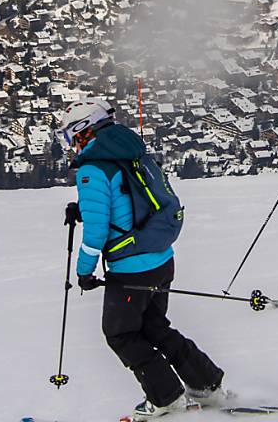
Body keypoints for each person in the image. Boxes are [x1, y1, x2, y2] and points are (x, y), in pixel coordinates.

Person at [57, 99, 227, 419]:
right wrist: (83, 209)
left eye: (69, 136)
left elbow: (96, 233)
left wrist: (84, 272)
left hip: (131, 268)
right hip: (161, 258)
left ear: (83, 130)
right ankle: (206, 383)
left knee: (120, 334)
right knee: (155, 326)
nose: (70, 144)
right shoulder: (130, 150)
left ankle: (166, 397)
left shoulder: (93, 169)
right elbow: (128, 198)